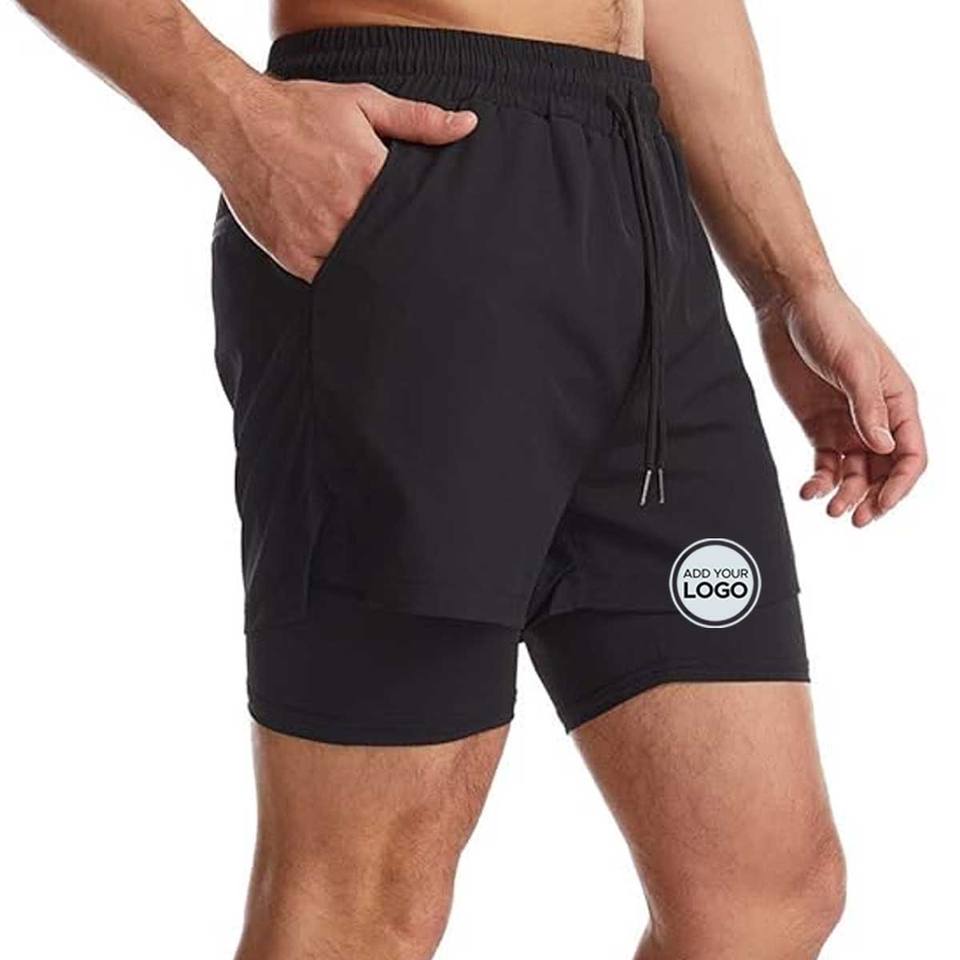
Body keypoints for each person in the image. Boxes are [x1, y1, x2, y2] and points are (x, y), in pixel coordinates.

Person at [14, 0, 927, 957]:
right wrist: (236, 117)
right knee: (368, 900)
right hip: (420, 167)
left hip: (641, 203)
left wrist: (794, 286)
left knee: (765, 894)